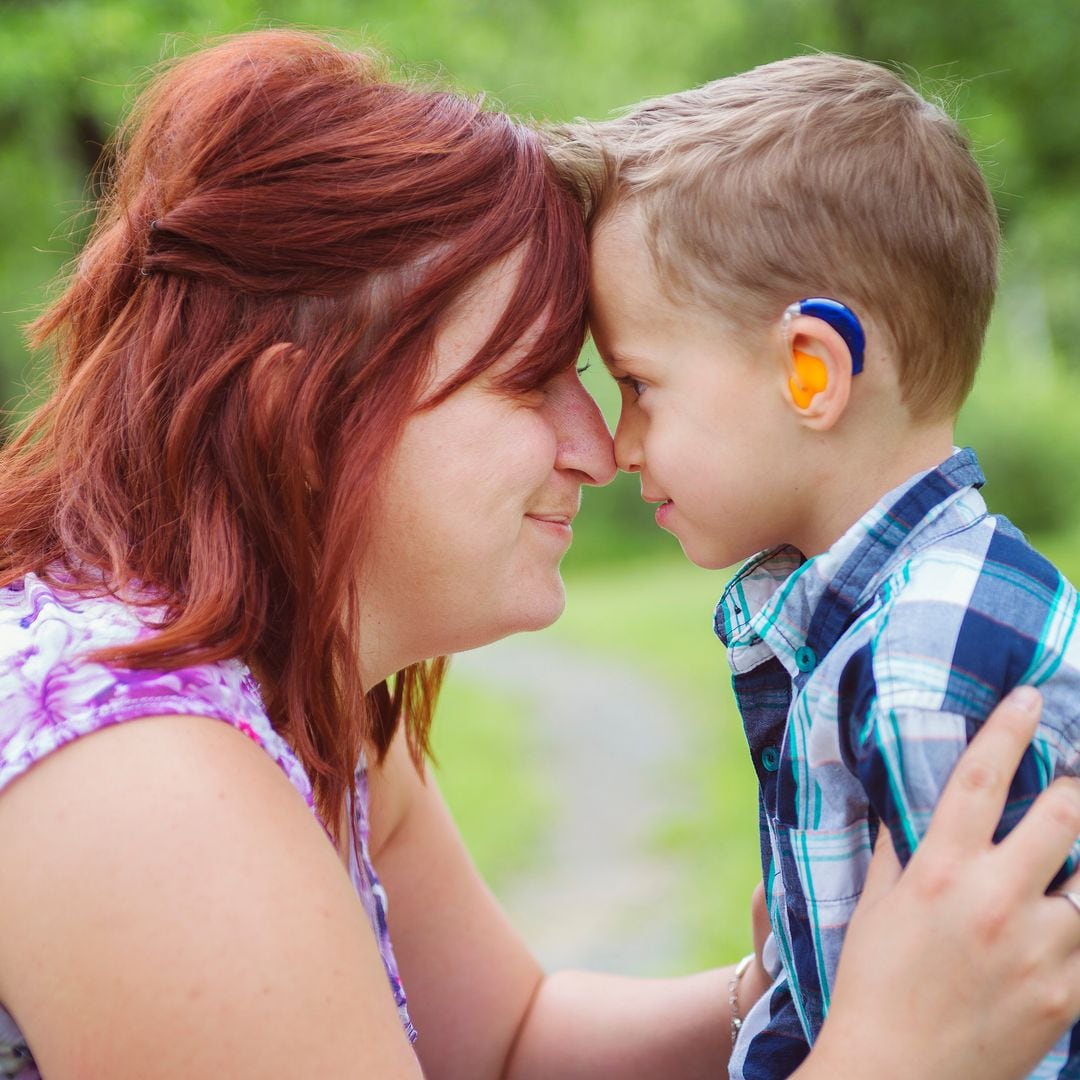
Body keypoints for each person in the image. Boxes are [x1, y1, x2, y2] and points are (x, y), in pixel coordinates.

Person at [0, 30, 1077, 1080]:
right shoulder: (144, 780)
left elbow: (507, 1045)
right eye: (530, 381)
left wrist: (811, 983)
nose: (598, 447)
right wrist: (896, 1055)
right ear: (309, 418)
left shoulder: (310, 697)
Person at [574, 53, 1080, 1078]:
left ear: (812, 369)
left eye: (637, 383)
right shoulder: (894, 619)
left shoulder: (919, 664)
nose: (619, 445)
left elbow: (1001, 1034)